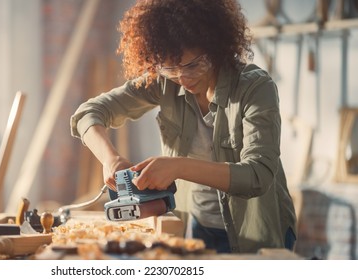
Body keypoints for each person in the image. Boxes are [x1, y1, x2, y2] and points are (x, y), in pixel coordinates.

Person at [70, 0, 296, 253]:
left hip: (256, 232)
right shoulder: (165, 82)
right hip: (196, 225)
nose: (183, 78)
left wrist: (177, 166)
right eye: (170, 68)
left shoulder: (255, 88)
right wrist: (110, 160)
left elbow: (257, 175)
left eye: (192, 65)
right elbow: (88, 113)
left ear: (216, 48)